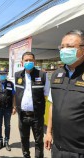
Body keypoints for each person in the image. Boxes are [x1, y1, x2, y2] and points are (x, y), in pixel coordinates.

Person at [45, 30, 84, 158]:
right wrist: (49, 132)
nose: (64, 50)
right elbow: (53, 105)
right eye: (62, 47)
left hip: (79, 150)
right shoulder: (57, 74)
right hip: (57, 147)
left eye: (70, 47)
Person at [15, 52, 50, 158]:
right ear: (22, 62)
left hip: (37, 116)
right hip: (22, 115)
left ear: (34, 61)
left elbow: (47, 95)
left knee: (38, 142)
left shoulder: (42, 75)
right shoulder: (17, 75)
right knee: (24, 140)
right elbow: (16, 93)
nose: (28, 62)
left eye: (31, 60)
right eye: (26, 60)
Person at [0, 67, 16, 151]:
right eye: (1, 74)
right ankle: (0, 141)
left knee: (7, 126)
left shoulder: (10, 84)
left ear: (7, 74)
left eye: (4, 73)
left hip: (8, 108)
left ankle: (6, 142)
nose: (3, 75)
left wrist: (14, 107)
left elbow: (13, 96)